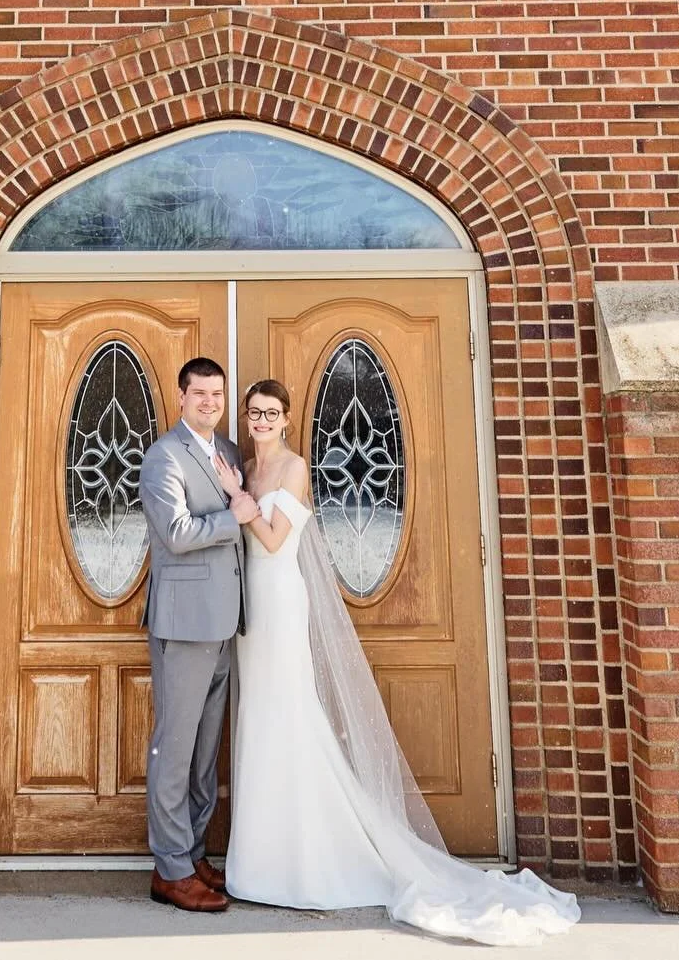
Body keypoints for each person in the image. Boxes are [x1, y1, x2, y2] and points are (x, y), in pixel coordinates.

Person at [214, 377, 582, 948]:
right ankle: (260, 859)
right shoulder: (245, 468)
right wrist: (235, 493)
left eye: (271, 413)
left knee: (291, 716)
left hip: (282, 601)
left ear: (287, 418)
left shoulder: (292, 468)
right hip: (250, 612)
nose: (261, 420)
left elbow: (270, 538)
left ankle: (311, 861)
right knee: (258, 718)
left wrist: (239, 505)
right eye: (254, 412)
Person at [136, 355, 259, 912]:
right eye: (200, 394)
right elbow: (178, 533)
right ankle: (169, 871)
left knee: (206, 752)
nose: (209, 402)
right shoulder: (164, 457)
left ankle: (193, 852)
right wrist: (237, 515)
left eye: (217, 394)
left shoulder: (228, 451)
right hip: (183, 625)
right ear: (180, 396)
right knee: (175, 749)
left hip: (223, 624)